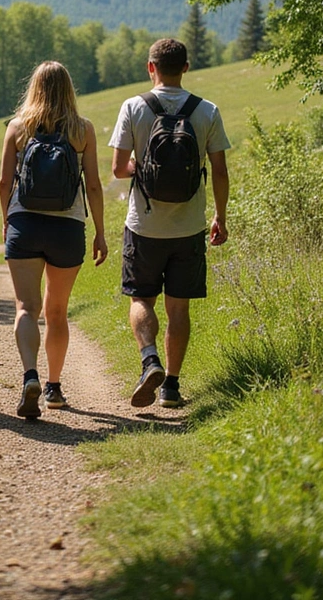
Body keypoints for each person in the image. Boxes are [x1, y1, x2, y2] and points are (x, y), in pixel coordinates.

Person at [109, 38, 230, 409]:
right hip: (189, 227)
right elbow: (221, 171)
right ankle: (172, 388)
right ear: (186, 68)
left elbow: (117, 168)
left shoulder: (134, 107)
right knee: (179, 308)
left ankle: (149, 361)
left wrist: (142, 169)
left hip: (144, 227)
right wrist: (219, 217)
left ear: (151, 67)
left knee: (141, 297)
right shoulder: (206, 110)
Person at [0, 61, 108, 419]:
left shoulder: (18, 127)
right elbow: (92, 184)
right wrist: (101, 233)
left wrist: (6, 222)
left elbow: (3, 184)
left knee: (26, 308)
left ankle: (29, 375)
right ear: (69, 90)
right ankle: (54, 388)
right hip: (67, 228)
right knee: (57, 312)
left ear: (34, 88)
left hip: (24, 225)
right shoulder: (83, 130)